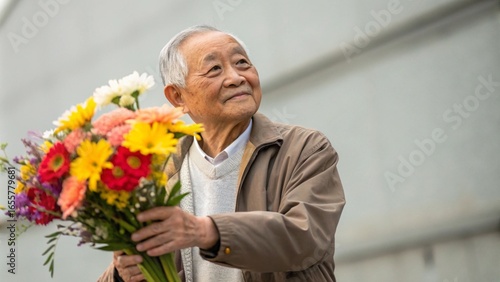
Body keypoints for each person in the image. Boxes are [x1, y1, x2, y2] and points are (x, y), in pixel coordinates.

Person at [98, 25, 345, 282]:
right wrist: (121, 273)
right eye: (215, 69)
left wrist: (206, 231)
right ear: (177, 96)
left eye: (242, 63)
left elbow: (304, 238)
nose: (236, 77)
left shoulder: (303, 148)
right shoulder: (159, 168)